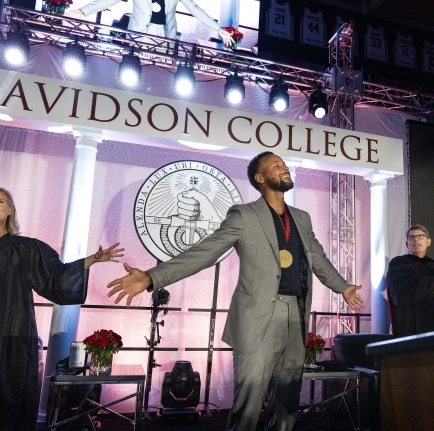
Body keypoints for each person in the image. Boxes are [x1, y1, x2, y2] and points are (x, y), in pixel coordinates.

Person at [106, 152, 364, 431]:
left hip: (296, 315)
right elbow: (203, 253)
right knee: (248, 409)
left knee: (287, 408)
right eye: (276, 165)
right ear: (260, 178)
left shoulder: (301, 218)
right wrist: (152, 277)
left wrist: (343, 287)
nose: (284, 167)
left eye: (284, 164)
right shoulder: (244, 215)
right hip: (257, 319)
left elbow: (319, 259)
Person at [0, 187, 124, 431]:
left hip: (10, 333)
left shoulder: (26, 248)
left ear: (10, 210)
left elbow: (57, 277)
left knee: (7, 389)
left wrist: (91, 259)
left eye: (0, 201)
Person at [67, 0, 235, 47]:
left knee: (160, 71)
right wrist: (83, 10)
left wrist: (218, 29)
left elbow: (195, 8)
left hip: (165, 34)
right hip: (140, 33)